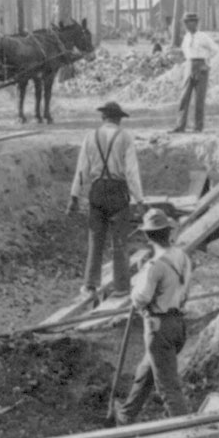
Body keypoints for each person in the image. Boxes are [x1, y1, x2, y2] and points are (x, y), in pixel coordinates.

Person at [113, 210, 193, 426]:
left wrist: (135, 282)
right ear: (168, 232)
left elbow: (140, 299)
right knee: (145, 372)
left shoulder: (153, 266)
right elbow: (186, 290)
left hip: (159, 328)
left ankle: (185, 436)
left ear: (148, 236)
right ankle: (126, 415)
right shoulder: (182, 257)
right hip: (178, 325)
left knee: (168, 388)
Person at [68, 101, 144, 302]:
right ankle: (121, 287)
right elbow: (131, 172)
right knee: (120, 242)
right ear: (119, 119)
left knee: (95, 239)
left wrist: (74, 196)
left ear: (103, 118)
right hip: (118, 191)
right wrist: (140, 200)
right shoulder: (125, 137)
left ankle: (90, 285)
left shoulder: (90, 136)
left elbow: (82, 169)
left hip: (97, 190)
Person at [172, 12, 219, 133]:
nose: (188, 25)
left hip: (201, 67)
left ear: (196, 23)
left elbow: (218, 51)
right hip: (189, 66)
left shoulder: (203, 37)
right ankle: (180, 126)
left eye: (190, 22)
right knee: (184, 97)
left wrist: (208, 64)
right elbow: (185, 51)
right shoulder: (186, 37)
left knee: (199, 98)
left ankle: (198, 127)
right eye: (186, 23)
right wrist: (187, 64)